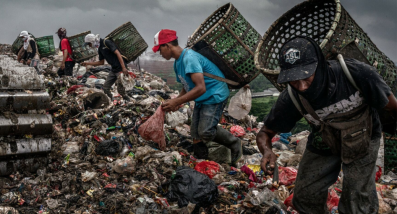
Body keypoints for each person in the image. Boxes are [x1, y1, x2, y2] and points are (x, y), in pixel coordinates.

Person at [256, 36, 397, 214]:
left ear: (320, 65)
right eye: (293, 79)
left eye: (306, 76)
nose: (301, 86)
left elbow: (393, 107)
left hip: (363, 138)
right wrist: (267, 152)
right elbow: (265, 133)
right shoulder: (291, 98)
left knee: (357, 201)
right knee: (305, 196)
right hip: (324, 141)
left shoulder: (356, 73)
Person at [153, 29, 242, 166]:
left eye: (160, 49)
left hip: (214, 95)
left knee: (206, 131)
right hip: (202, 98)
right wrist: (178, 102)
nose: (160, 53)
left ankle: (234, 143)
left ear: (168, 45)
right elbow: (187, 85)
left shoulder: (189, 58)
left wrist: (177, 100)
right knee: (195, 135)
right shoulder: (178, 63)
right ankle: (202, 160)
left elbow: (201, 87)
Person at [81, 34, 130, 101]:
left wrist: (124, 67)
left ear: (92, 41)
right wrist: (87, 63)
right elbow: (101, 62)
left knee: (120, 90)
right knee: (106, 88)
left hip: (120, 68)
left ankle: (128, 101)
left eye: (89, 44)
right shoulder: (100, 48)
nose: (89, 46)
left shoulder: (106, 42)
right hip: (113, 69)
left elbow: (118, 53)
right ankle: (112, 101)